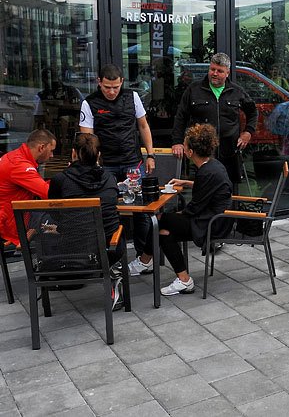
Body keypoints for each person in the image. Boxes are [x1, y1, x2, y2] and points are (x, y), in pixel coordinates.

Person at [128, 124, 233, 296]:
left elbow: (194, 208)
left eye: (185, 145)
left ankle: (145, 261)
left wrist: (176, 215)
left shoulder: (206, 172)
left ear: (190, 152)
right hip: (215, 217)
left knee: (161, 219)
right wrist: (186, 182)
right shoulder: (213, 165)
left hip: (213, 222)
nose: (183, 148)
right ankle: (184, 280)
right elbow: (209, 188)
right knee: (163, 232)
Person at [80, 64, 157, 256]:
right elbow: (87, 139)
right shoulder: (89, 103)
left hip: (133, 162)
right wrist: (92, 165)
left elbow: (143, 126)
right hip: (106, 165)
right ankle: (112, 255)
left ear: (122, 82)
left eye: (116, 87)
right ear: (99, 82)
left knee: (141, 210)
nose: (112, 91)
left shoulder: (132, 97)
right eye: (107, 87)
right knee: (108, 211)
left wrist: (151, 154)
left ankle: (143, 256)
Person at [48, 133, 124, 309]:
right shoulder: (110, 178)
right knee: (116, 227)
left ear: (74, 153)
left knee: (49, 228)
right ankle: (114, 274)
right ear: (98, 155)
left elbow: (54, 214)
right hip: (109, 249)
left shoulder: (61, 180)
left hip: (72, 250)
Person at [171, 53, 257, 185]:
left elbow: (252, 112)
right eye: (212, 69)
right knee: (201, 189)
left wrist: (248, 132)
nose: (215, 73)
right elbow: (181, 116)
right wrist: (177, 142)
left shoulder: (236, 91)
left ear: (227, 73)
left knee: (226, 191)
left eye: (220, 71)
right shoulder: (194, 90)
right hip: (200, 153)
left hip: (229, 153)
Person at [0, 130, 56, 247]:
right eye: (51, 151)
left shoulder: (15, 156)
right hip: (13, 225)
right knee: (61, 227)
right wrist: (68, 179)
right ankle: (53, 263)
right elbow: (48, 194)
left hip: (13, 217)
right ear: (41, 148)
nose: (52, 156)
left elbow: (38, 186)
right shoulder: (20, 166)